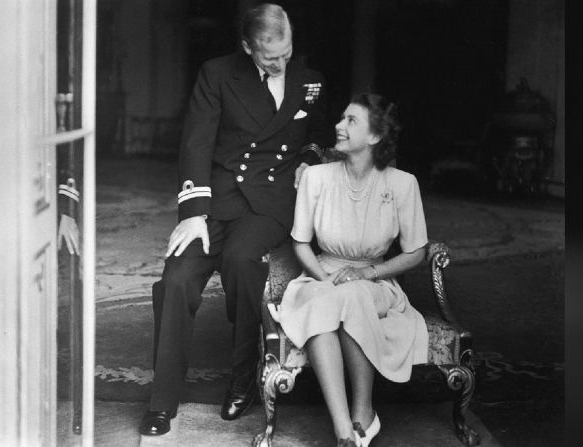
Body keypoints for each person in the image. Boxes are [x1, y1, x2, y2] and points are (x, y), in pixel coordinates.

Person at [139, 3, 333, 436]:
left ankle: (243, 374)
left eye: (286, 53)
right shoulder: (217, 74)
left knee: (244, 261)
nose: (280, 63)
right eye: (269, 57)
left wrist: (309, 158)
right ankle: (162, 400)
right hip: (217, 199)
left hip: (270, 204)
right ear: (247, 47)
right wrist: (192, 214)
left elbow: (318, 131)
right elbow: (196, 143)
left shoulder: (311, 81)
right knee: (176, 278)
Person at [277, 93, 429, 447]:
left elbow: (417, 252)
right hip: (321, 276)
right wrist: (323, 278)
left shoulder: (403, 184)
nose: (338, 126)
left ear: (374, 137)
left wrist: (368, 275)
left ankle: (364, 411)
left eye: (351, 121)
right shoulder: (316, 178)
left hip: (374, 281)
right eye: (341, 118)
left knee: (353, 294)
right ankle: (344, 428)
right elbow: (301, 242)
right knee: (328, 301)